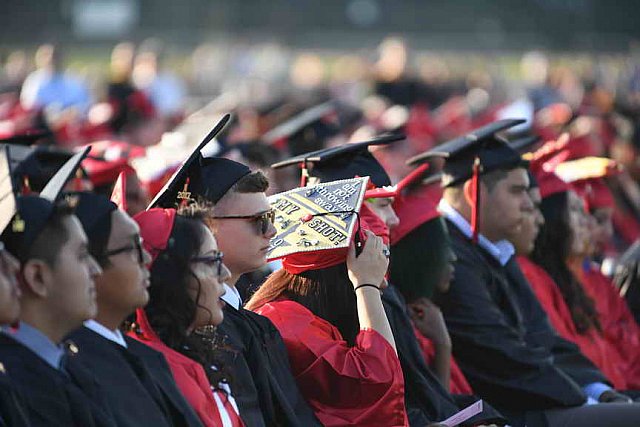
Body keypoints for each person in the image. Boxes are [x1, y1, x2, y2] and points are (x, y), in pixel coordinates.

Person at [408, 118, 640, 426]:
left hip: (538, 400)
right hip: (506, 412)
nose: (531, 207)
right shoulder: (450, 255)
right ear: (474, 193)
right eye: (517, 192)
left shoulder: (492, 248)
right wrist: (584, 399)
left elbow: (544, 336)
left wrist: (599, 390)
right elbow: (497, 354)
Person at [272, 136, 506, 426]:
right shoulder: (286, 321)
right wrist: (366, 287)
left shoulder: (381, 296)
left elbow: (423, 400)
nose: (393, 220)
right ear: (346, 219)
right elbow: (377, 390)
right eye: (382, 207)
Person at [150, 114, 321, 426]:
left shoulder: (247, 323)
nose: (271, 231)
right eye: (258, 221)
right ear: (207, 227)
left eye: (272, 218)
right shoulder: (202, 331)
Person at [245, 185, 406, 426]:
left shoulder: (301, 310)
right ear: (341, 274)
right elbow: (376, 381)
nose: (383, 285)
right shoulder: (285, 321)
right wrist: (366, 286)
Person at [0, 149, 116, 427]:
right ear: (37, 277)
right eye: (81, 255)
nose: (96, 270)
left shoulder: (71, 366)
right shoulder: (18, 383)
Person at [68, 191, 203, 427]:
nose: (147, 260)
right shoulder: (76, 368)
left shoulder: (146, 357)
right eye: (132, 248)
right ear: (90, 265)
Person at [130, 205, 245, 426]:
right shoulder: (150, 371)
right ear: (172, 273)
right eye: (212, 261)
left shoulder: (196, 356)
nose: (225, 274)